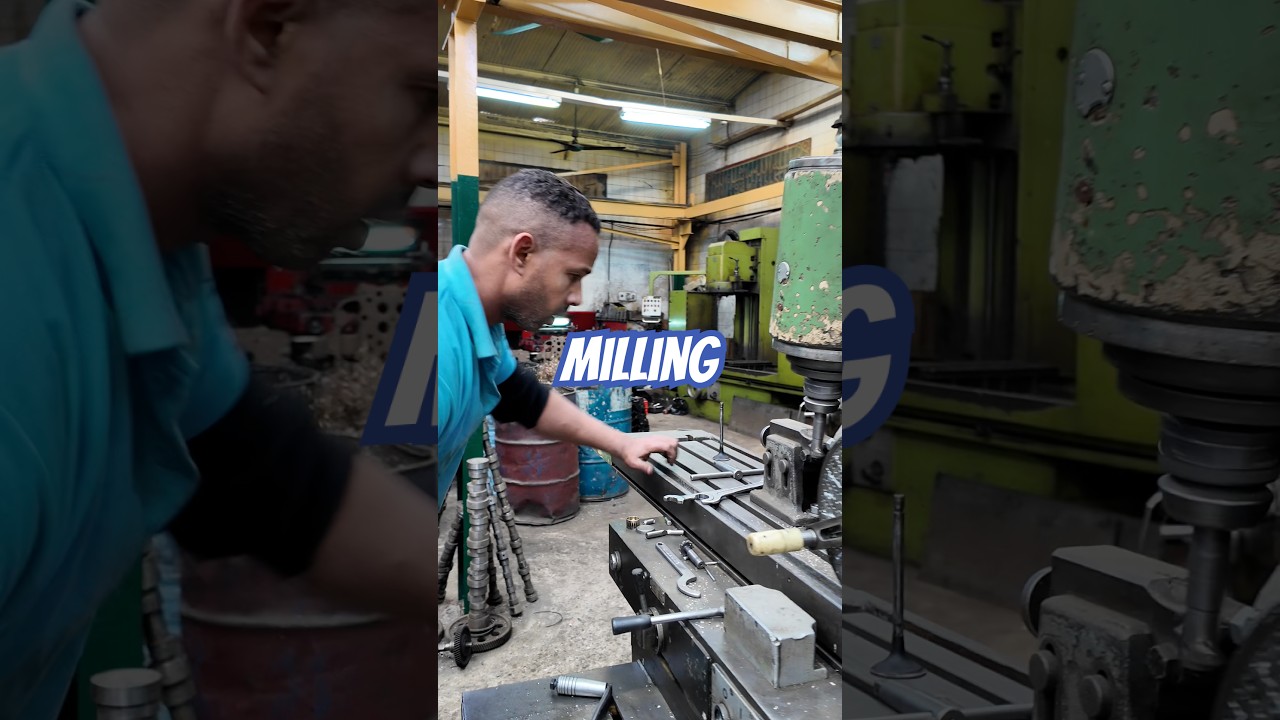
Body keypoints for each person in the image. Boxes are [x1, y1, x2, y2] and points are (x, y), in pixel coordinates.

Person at [0, 0, 438, 717]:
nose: (427, 163)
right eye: (418, 96)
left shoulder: (152, 229)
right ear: (266, 29)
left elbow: (260, 475)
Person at [438, 169, 680, 504]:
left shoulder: (477, 319)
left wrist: (621, 443)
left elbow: (525, 399)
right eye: (572, 275)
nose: (577, 297)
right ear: (522, 253)